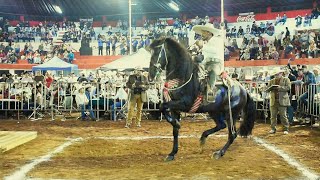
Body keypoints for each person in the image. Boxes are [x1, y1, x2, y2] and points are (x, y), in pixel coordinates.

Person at [192, 23, 224, 102]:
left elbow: (215, 51)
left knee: (211, 71)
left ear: (209, 32)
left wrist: (202, 46)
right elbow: (204, 56)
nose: (202, 34)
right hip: (205, 64)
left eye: (204, 32)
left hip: (216, 64)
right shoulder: (206, 43)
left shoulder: (217, 40)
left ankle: (210, 92)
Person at [266, 69, 291, 134]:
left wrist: (280, 87)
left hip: (282, 100)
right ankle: (273, 128)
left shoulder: (286, 79)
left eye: (277, 74)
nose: (276, 75)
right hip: (273, 100)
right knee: (273, 116)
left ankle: (286, 129)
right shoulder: (271, 81)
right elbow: (267, 89)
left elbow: (288, 88)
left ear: (281, 73)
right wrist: (268, 88)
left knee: (283, 116)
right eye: (275, 74)